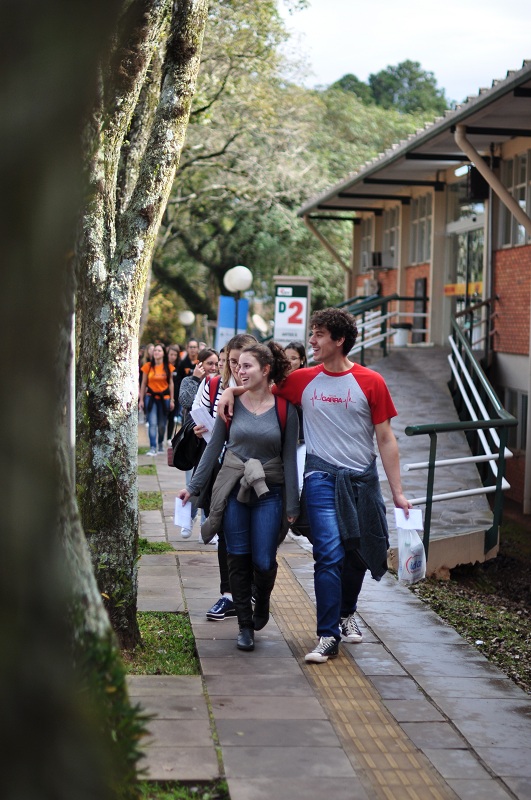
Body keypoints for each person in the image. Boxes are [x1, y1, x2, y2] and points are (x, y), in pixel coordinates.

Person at [218, 307, 410, 664]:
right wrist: (231, 391)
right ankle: (327, 635)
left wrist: (397, 491)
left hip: (362, 479)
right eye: (312, 333)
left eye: (319, 335)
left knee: (363, 552)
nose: (312, 341)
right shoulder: (302, 380)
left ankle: (346, 610)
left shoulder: (371, 382)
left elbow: (385, 439)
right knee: (329, 553)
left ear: (339, 341)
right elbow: (259, 387)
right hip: (320, 476)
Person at [178, 342, 300, 652]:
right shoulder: (229, 405)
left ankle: (263, 602)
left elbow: (290, 460)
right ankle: (245, 625)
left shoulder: (286, 410)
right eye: (237, 366)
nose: (239, 371)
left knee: (263, 559)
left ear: (266, 370)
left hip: (269, 491)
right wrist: (192, 489)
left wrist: (293, 503)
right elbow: (213, 449)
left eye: (247, 366)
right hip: (233, 488)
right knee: (237, 556)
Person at [192, 334, 257, 619]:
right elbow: (200, 419)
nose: (237, 369)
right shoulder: (214, 384)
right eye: (231, 362)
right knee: (225, 531)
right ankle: (229, 594)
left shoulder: (267, 391)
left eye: (244, 362)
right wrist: (196, 429)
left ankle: (254, 590)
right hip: (222, 469)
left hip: (258, 473)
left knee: (257, 535)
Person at [177, 348, 220, 540]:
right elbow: (185, 400)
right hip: (193, 439)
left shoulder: (219, 384)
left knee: (208, 482)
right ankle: (188, 519)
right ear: (199, 364)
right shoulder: (190, 380)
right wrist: (196, 379)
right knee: (192, 482)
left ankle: (206, 523)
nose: (213, 367)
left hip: (211, 440)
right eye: (209, 363)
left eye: (216, 363)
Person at [139, 343, 175, 456]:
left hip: (164, 398)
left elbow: (171, 383)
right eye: (155, 350)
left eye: (159, 350)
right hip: (151, 397)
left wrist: (172, 399)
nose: (156, 352)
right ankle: (152, 447)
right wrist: (141, 399)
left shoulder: (168, 367)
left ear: (163, 353)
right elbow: (144, 383)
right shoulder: (148, 366)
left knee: (162, 424)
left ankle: (160, 443)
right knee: (152, 423)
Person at [174, 338, 199, 411]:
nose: (192, 349)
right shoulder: (182, 363)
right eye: (191, 347)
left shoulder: (201, 363)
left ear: (198, 348)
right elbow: (178, 379)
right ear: (187, 348)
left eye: (194, 347)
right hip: (186, 394)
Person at [167, 344, 182, 442]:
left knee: (172, 417)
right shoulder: (164, 366)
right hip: (164, 395)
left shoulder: (179, 367)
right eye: (171, 354)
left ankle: (169, 437)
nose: (172, 357)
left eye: (175, 355)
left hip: (176, 396)